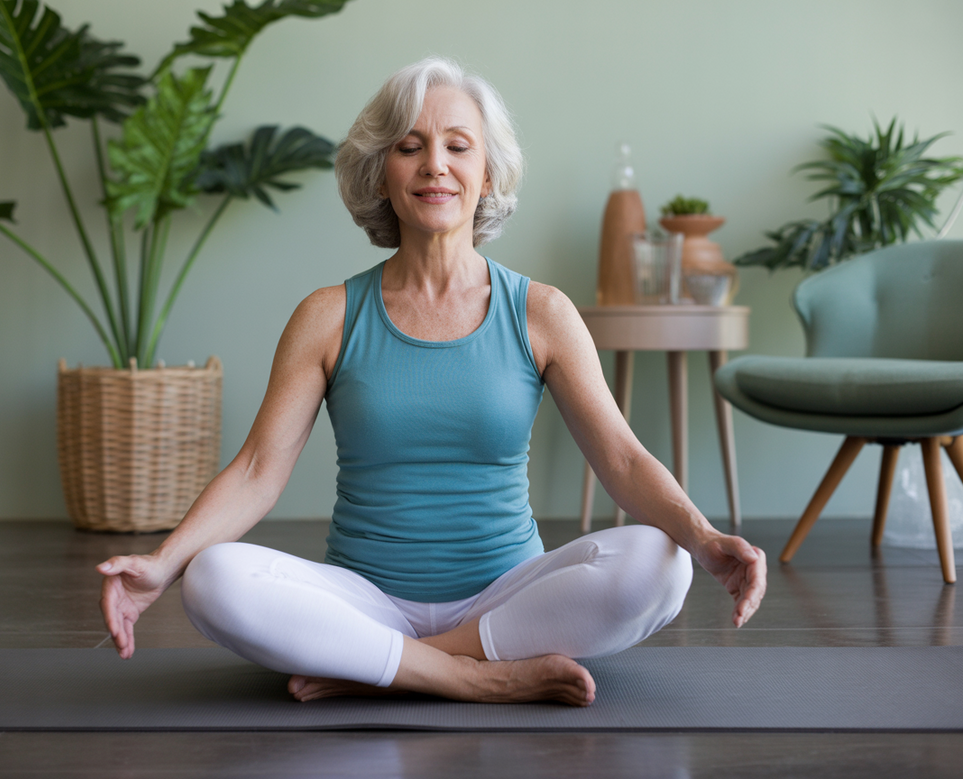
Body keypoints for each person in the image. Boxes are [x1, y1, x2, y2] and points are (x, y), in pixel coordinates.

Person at [97, 58, 766, 708]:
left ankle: (382, 664)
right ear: (379, 173)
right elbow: (255, 471)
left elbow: (621, 458)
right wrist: (162, 562)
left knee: (662, 562)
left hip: (508, 597)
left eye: (457, 146)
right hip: (363, 599)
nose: (434, 165)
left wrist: (705, 539)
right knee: (211, 578)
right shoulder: (327, 315)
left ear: (487, 173)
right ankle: (472, 678)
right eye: (408, 147)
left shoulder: (541, 313)